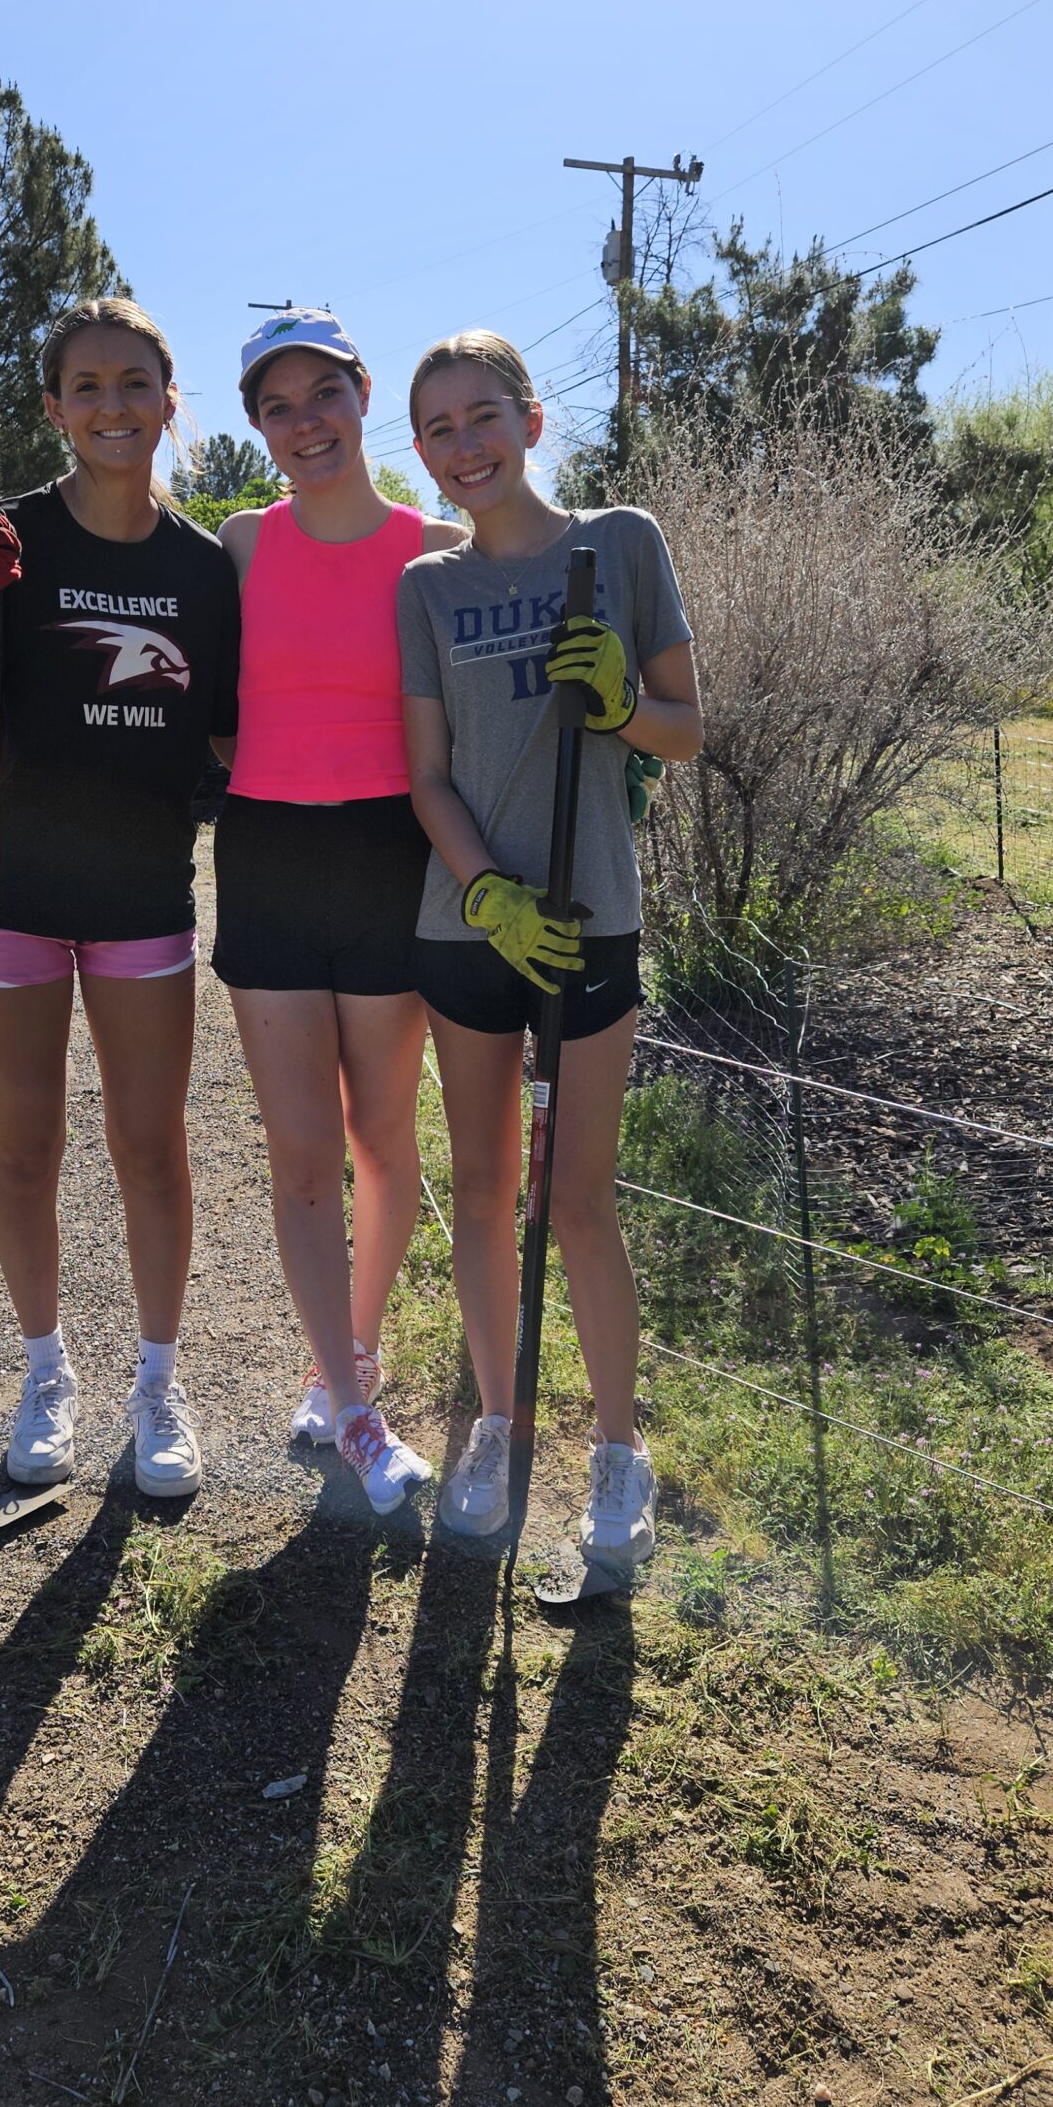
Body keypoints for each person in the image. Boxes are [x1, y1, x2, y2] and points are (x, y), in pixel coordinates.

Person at [0, 298, 240, 1501]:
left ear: (168, 398)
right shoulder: (6, 544)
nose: (113, 406)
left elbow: (237, 738)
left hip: (143, 896)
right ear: (55, 407)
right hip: (4, 898)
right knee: (22, 1145)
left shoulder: (206, 570)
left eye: (135, 383)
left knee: (151, 1145)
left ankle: (159, 1381)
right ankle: (48, 1372)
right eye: (86, 386)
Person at [398, 330, 704, 1562]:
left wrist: (624, 703)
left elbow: (687, 730)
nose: (464, 446)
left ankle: (619, 1455)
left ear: (530, 419)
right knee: (481, 1191)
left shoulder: (618, 544)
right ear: (419, 452)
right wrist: (487, 897)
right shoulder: (425, 587)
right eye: (438, 430)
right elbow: (426, 777)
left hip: (592, 918)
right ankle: (497, 1426)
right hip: (472, 926)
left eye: (483, 417)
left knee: (577, 1199)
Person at [212, 310, 465, 1514]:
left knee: (381, 1144)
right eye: (277, 405)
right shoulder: (242, 545)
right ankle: (359, 1420)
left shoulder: (441, 547)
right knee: (304, 1150)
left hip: (389, 855)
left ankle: (342, 1358)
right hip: (265, 851)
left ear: (365, 396)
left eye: (323, 394)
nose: (303, 422)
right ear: (256, 426)